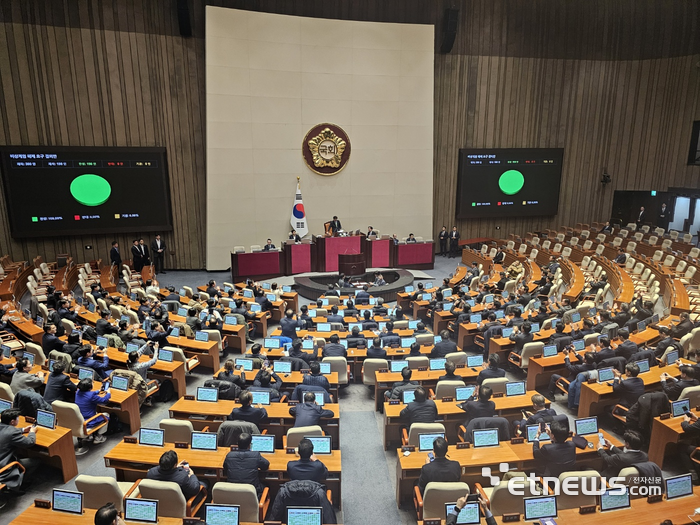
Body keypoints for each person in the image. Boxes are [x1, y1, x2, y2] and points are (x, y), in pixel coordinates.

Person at [0, 408, 37, 492]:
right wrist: (32, 432)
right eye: (17, 418)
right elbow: (30, 442)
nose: (18, 420)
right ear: (12, 421)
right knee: (36, 461)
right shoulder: (12, 432)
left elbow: (7, 431)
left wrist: (23, 430)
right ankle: (21, 484)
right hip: (3, 466)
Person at [223, 432, 269, 497]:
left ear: (237, 444)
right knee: (266, 484)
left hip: (233, 490)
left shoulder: (229, 455)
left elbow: (225, 468)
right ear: (249, 445)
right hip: (251, 491)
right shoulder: (255, 455)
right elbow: (265, 465)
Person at [75, 378, 110, 443]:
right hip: (88, 421)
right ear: (90, 386)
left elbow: (88, 394)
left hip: (79, 419)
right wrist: (108, 393)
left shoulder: (77, 392)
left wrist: (97, 391)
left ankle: (92, 434)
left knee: (96, 412)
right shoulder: (91, 396)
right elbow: (104, 401)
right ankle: (98, 436)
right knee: (106, 415)